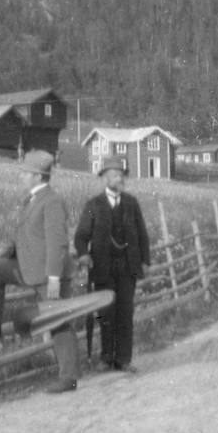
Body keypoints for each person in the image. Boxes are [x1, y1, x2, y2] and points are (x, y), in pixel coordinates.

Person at [0, 149, 80, 393]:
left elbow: (58, 242)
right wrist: (5, 255)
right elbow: (25, 235)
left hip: (47, 273)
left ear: (37, 176)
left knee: (59, 322)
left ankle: (69, 378)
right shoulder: (32, 199)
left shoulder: (52, 201)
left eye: (24, 173)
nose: (20, 177)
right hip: (28, 268)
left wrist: (54, 278)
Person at [74, 156, 151, 373]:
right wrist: (83, 255)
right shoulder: (94, 205)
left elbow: (142, 235)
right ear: (105, 178)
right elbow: (81, 236)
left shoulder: (131, 203)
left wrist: (145, 261)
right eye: (116, 175)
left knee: (125, 313)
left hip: (128, 267)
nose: (120, 179)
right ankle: (106, 358)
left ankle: (123, 359)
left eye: (122, 175)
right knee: (105, 314)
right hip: (102, 268)